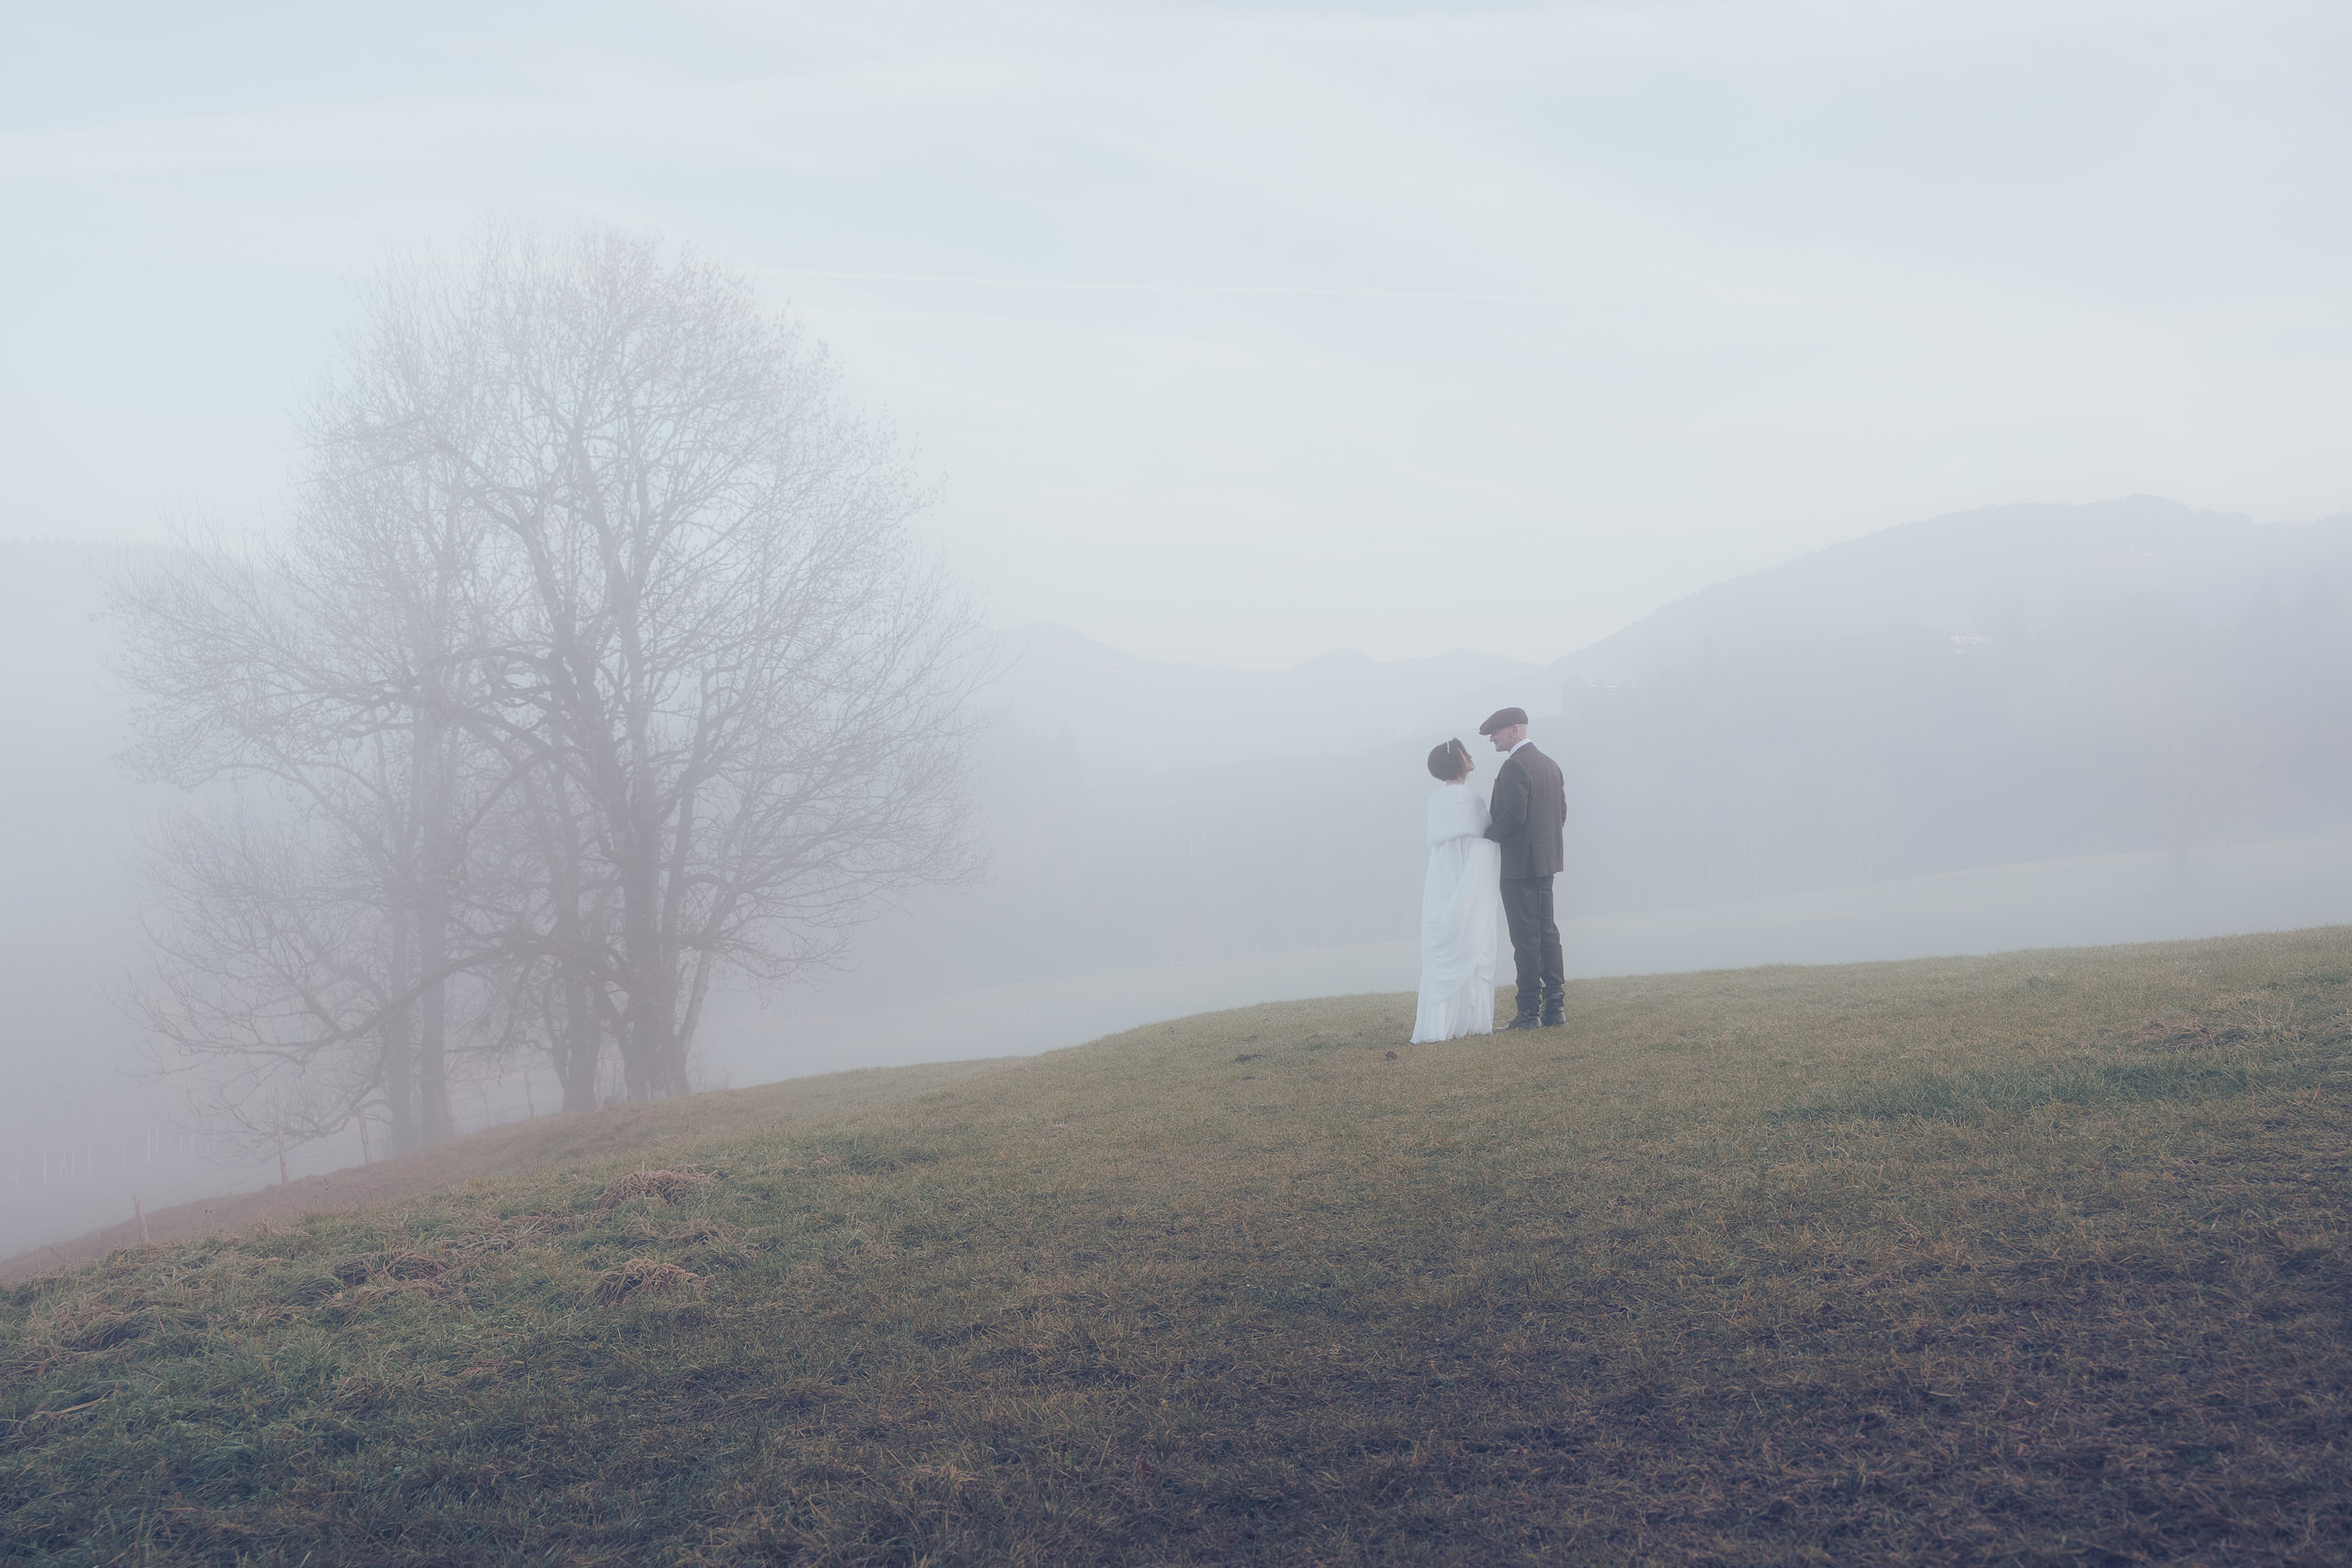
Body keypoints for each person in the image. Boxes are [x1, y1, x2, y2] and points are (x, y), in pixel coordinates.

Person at [1479, 706, 1566, 1029]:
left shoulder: (1515, 767)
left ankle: (1529, 1011)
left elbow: (1513, 816)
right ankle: (1555, 1008)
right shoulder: (1550, 765)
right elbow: (1561, 814)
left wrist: (1485, 837)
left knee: (1525, 938)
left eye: (1497, 732)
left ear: (1515, 730)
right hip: (1546, 863)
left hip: (1518, 867)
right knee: (1548, 933)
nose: (1492, 738)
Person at [1410, 737, 1502, 1043]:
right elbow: (1483, 838)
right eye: (1466, 753)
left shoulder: (1436, 801)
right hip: (1466, 874)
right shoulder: (1470, 799)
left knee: (1448, 935)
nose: (1471, 756)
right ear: (1458, 761)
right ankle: (1471, 1018)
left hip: (1442, 876)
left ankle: (1445, 1021)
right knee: (1470, 933)